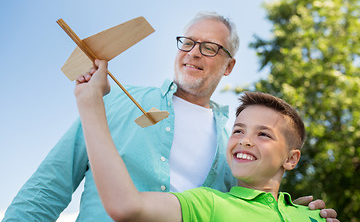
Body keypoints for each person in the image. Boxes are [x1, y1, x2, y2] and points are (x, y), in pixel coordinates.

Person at [3, 12, 337, 221]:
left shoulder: (233, 143)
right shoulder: (113, 100)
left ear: (229, 65)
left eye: (209, 47)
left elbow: (249, 205)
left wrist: (288, 209)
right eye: (187, 42)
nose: (194, 52)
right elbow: (48, 188)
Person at [73, 63, 329, 221]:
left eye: (263, 134)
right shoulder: (207, 203)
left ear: (291, 158)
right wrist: (90, 103)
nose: (245, 141)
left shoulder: (313, 215)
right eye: (238, 131)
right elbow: (126, 206)